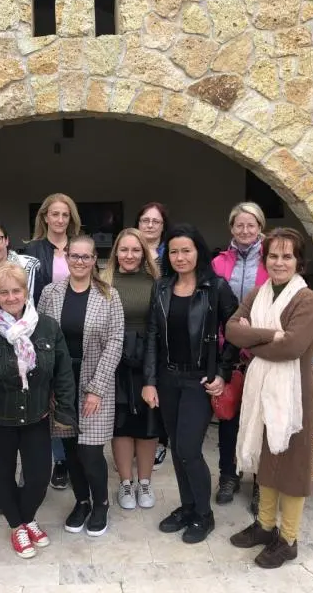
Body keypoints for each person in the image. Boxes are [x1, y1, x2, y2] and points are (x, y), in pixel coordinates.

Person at [0, 263, 78, 558]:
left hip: (37, 417)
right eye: (4, 292)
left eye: (16, 291)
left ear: (26, 292)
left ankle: (26, 518)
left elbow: (63, 373)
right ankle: (17, 526)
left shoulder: (48, 327)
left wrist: (65, 411)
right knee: (3, 474)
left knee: (39, 477)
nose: (11, 297)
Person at [225, 228, 313, 569]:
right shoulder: (257, 293)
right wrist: (271, 335)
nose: (279, 262)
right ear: (265, 259)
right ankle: (265, 526)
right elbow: (232, 330)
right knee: (266, 459)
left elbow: (293, 347)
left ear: (299, 262)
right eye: (273, 256)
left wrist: (253, 341)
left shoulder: (307, 300)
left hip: (294, 393)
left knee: (292, 466)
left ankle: (289, 539)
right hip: (261, 389)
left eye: (287, 256)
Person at [141, 224, 239, 545]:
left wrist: (222, 371)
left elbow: (235, 331)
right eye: (174, 251)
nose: (180, 257)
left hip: (199, 380)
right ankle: (187, 508)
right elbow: (153, 336)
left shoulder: (216, 287)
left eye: (186, 250)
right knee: (176, 449)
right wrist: (150, 381)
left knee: (188, 448)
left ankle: (204, 514)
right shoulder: (161, 287)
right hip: (168, 378)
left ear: (198, 251)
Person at [38, 235, 124, 537]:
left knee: (90, 451)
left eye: (86, 256)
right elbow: (40, 336)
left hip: (95, 382)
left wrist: (96, 389)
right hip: (62, 382)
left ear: (94, 260)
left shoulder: (109, 295)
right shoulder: (50, 293)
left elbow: (115, 342)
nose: (79, 261)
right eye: (74, 255)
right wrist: (48, 383)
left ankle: (101, 504)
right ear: (67, 258)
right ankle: (82, 501)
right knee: (71, 449)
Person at [210, 202, 269, 510]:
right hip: (228, 351)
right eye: (239, 225)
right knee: (228, 414)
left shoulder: (271, 260)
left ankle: (260, 480)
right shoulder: (219, 263)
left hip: (262, 352)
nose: (245, 230)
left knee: (260, 418)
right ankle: (228, 475)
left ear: (260, 227)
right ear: (231, 228)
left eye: (251, 225)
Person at [24, 193, 83, 491]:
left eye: (65, 215)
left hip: (77, 331)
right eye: (55, 214)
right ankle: (57, 458)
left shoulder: (79, 247)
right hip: (42, 331)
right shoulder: (31, 250)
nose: (60, 219)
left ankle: (75, 456)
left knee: (72, 393)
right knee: (49, 395)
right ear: (45, 216)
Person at [102, 228, 161, 510]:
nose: (129, 255)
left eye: (136, 250)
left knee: (147, 423)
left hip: (147, 359)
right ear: (116, 252)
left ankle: (144, 481)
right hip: (114, 359)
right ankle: (126, 482)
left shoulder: (156, 283)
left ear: (144, 253)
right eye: (124, 249)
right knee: (121, 423)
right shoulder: (103, 281)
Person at [134, 202, 170, 470]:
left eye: (155, 221)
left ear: (163, 226)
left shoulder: (169, 254)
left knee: (159, 385)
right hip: (135, 329)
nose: (149, 225)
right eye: (145, 220)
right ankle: (135, 441)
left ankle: (160, 441)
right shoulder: (130, 249)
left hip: (162, 327)